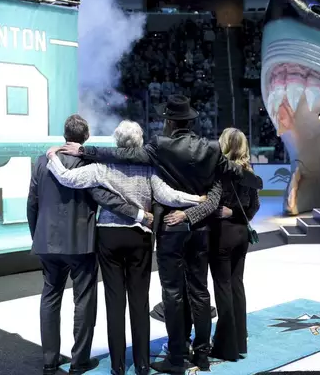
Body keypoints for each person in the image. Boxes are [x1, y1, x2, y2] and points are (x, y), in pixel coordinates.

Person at [58, 95, 263, 374]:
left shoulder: (160, 146)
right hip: (201, 230)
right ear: (190, 121)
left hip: (170, 230)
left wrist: (86, 151)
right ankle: (202, 354)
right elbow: (235, 173)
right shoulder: (212, 149)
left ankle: (177, 356)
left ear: (169, 121)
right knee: (200, 292)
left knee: (173, 293)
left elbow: (123, 155)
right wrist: (256, 181)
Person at [45, 120, 209, 375]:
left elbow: (67, 179)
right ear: (139, 142)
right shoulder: (148, 169)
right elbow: (168, 195)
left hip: (109, 238)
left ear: (117, 142)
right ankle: (142, 364)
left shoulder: (101, 167)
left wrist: (52, 156)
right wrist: (196, 199)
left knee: (115, 302)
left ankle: (118, 365)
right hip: (139, 239)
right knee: (139, 302)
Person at [27, 115, 150, 375]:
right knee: (83, 300)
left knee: (50, 298)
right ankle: (78, 360)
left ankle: (49, 359)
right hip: (81, 243)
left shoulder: (41, 162)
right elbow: (103, 198)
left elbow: (32, 203)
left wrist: (35, 235)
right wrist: (137, 214)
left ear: (64, 135)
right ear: (86, 137)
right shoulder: (92, 163)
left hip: (47, 241)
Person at [209, 128, 260, 362]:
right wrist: (239, 214)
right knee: (236, 285)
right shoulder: (249, 170)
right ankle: (240, 339)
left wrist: (229, 212)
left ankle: (226, 345)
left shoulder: (221, 170)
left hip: (223, 235)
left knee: (223, 287)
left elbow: (213, 204)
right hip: (241, 235)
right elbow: (254, 206)